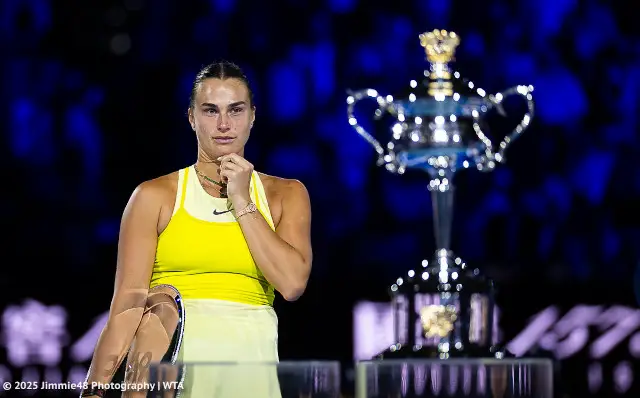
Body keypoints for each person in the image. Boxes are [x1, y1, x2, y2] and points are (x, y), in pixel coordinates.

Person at [81, 61, 313, 397]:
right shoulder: (153, 196)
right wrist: (93, 392)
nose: (223, 124)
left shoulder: (286, 194)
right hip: (168, 385)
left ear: (252, 117)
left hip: (251, 383)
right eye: (210, 111)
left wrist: (242, 199)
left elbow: (292, 284)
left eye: (235, 110)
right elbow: (126, 309)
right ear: (191, 118)